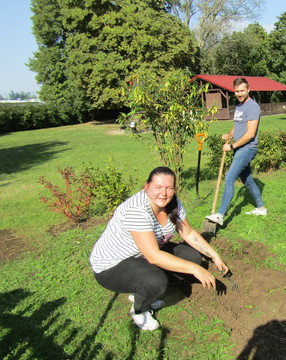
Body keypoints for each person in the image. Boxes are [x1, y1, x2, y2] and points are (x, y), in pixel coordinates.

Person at [90, 166, 229, 330]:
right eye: (158, 187)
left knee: (192, 257)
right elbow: (153, 256)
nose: (163, 193)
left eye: (169, 188)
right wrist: (195, 270)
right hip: (112, 264)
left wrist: (214, 256)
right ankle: (140, 309)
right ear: (147, 187)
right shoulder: (136, 210)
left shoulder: (173, 203)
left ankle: (145, 288)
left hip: (141, 255)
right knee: (156, 281)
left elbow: (188, 233)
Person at [206, 78, 267, 226]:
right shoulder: (239, 106)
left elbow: (250, 134)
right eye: (237, 91)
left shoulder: (252, 107)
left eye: (242, 90)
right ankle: (261, 208)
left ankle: (220, 215)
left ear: (248, 90)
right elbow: (238, 126)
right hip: (240, 147)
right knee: (247, 180)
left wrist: (232, 147)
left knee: (229, 178)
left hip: (247, 148)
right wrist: (229, 134)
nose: (239, 94)